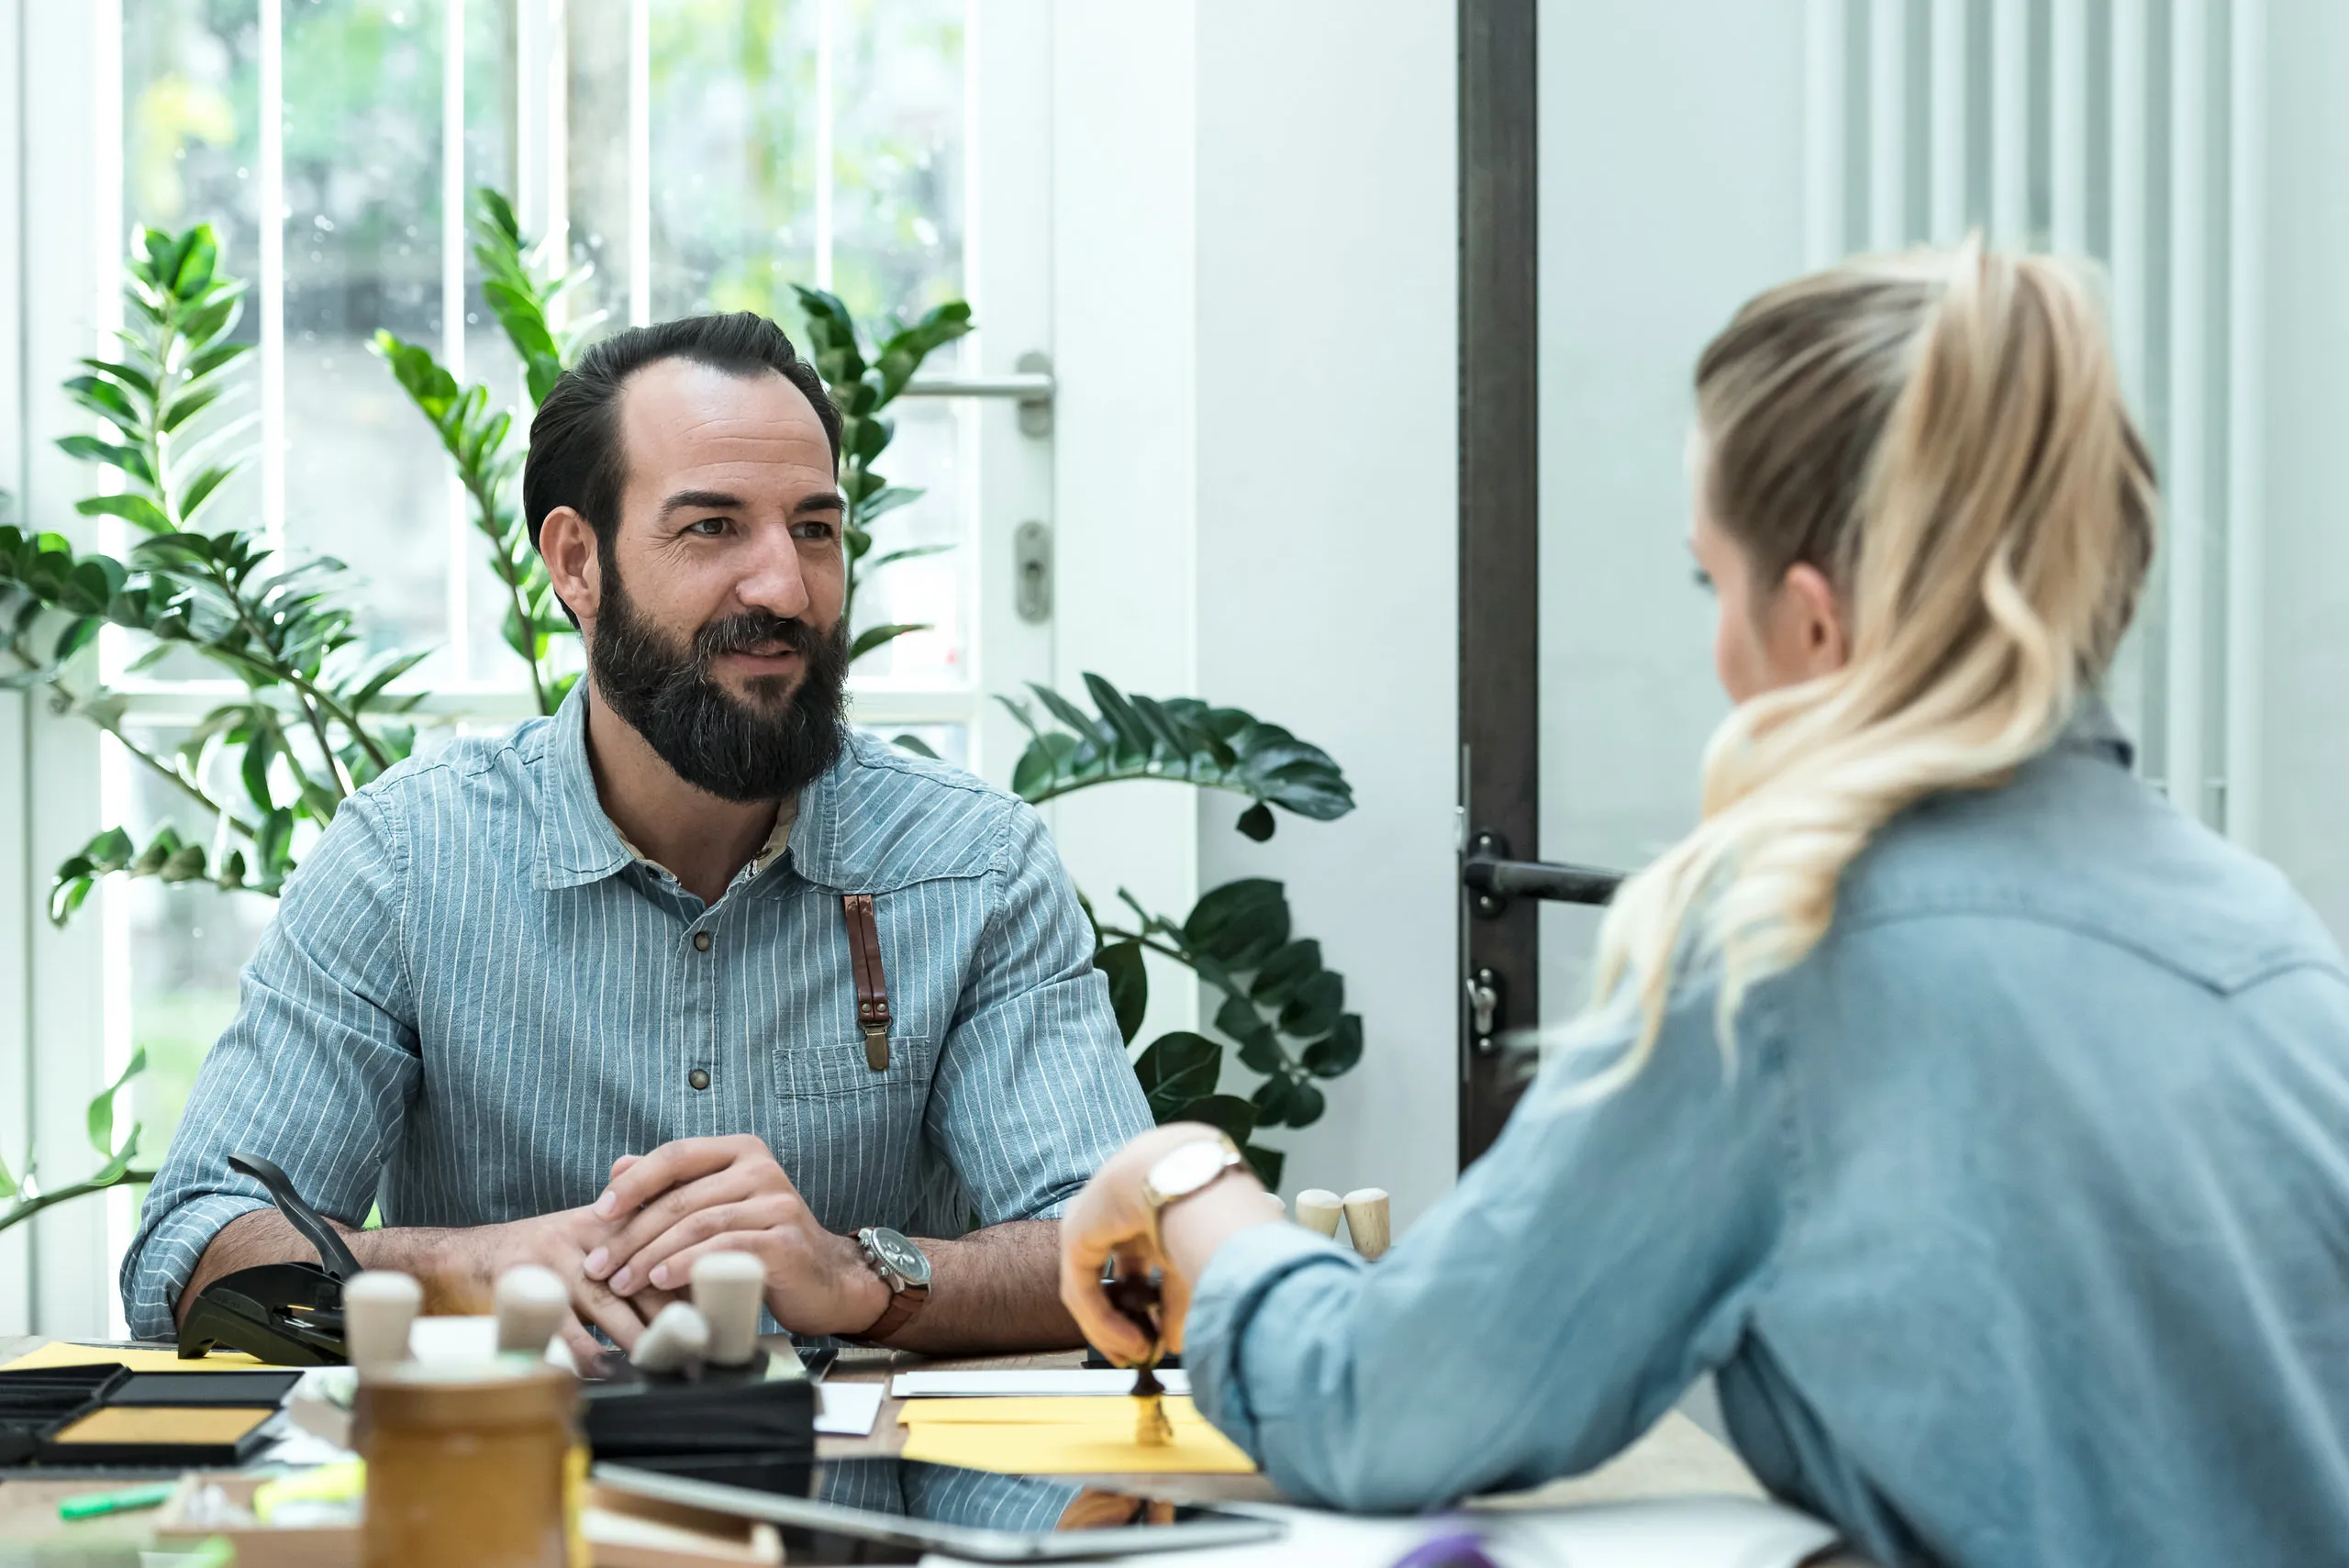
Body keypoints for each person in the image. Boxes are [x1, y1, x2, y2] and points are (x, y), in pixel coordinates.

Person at [1060, 245, 2349, 1566]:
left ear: (1814, 623)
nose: (1720, 652)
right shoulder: (2274, 949)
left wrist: (1186, 1188)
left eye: (1711, 586)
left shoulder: (1786, 963)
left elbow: (1377, 1407)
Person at [127, 312, 1152, 1360]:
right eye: (712, 527)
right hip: (506, 1497)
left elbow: (1131, 1260)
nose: (785, 588)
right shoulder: (406, 856)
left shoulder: (975, 863)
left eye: (814, 528)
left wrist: (854, 1274)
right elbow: (194, 1247)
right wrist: (474, 1268)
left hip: (862, 1517)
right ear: (578, 561)